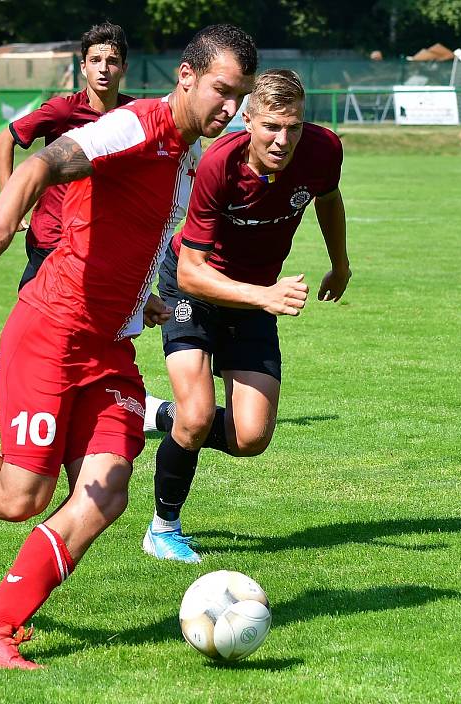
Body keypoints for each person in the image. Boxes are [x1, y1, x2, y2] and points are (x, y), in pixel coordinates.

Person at [0, 24, 257, 669]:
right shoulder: (134, 126)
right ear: (186, 77)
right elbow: (40, 161)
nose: (229, 109)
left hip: (110, 347)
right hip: (52, 332)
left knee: (108, 493)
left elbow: (134, 239)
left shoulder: (184, 159)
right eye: (222, 92)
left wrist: (140, 301)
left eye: (240, 97)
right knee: (19, 497)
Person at [142, 69, 352, 563]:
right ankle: (163, 527)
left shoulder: (324, 150)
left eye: (294, 127)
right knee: (195, 421)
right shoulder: (219, 163)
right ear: (248, 119)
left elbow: (329, 197)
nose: (283, 140)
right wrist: (264, 297)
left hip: (256, 294)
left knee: (250, 437)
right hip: (195, 283)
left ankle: (160, 416)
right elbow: (192, 276)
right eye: (272, 127)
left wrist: (340, 263)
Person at [0, 22, 133, 447]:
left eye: (112, 60)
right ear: (83, 66)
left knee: (77, 336)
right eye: (96, 60)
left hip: (96, 246)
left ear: (124, 67)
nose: (104, 68)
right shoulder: (63, 111)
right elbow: (5, 139)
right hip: (51, 242)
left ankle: (87, 412)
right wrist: (12, 208)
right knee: (32, 336)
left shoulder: (131, 116)